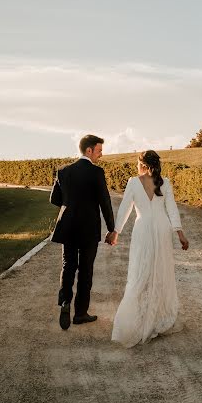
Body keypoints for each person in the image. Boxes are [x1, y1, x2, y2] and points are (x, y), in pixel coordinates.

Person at [110, 150, 189, 348]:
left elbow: (125, 208)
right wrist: (179, 233)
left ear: (142, 164)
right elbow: (171, 209)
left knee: (140, 270)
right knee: (160, 269)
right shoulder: (165, 182)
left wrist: (116, 231)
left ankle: (141, 316)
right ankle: (158, 317)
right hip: (162, 229)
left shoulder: (133, 182)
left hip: (143, 229)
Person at [50, 134, 119, 330]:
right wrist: (112, 228)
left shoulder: (63, 171)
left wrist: (70, 203)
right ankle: (80, 313)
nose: (101, 155)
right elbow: (105, 202)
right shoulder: (96, 172)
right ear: (89, 150)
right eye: (99, 151)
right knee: (86, 269)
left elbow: (54, 199)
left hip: (68, 225)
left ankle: (65, 302)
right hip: (89, 227)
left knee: (68, 265)